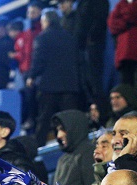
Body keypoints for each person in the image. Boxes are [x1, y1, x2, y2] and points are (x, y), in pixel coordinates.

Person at [26, 8, 84, 146]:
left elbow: (39, 61)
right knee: (70, 119)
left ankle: (37, 151)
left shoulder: (41, 38)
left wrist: (31, 76)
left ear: (45, 21)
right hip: (70, 85)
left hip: (49, 86)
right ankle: (78, 145)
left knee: (44, 120)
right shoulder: (69, 37)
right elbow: (78, 60)